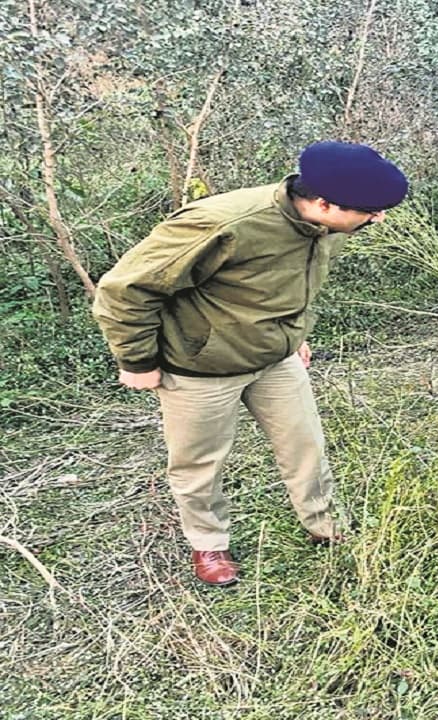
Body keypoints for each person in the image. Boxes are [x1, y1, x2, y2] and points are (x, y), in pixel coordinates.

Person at [92, 141, 408, 586]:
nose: (378, 218)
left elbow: (293, 285)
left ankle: (325, 525)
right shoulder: (225, 223)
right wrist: (137, 361)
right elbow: (123, 291)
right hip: (200, 368)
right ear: (323, 202)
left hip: (276, 360)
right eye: (371, 211)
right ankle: (208, 545)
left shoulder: (328, 227)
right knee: (198, 464)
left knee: (306, 446)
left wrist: (294, 337)